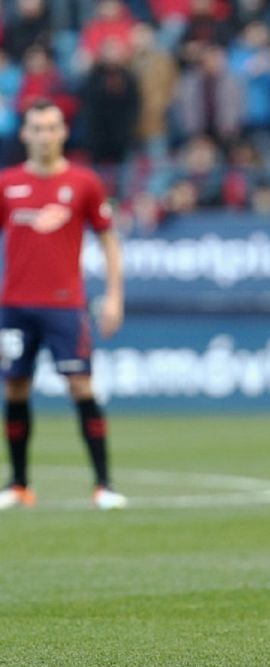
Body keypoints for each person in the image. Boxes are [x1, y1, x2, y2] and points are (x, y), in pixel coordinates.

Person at [0, 99, 127, 511]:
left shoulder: (84, 182)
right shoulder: (7, 183)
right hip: (14, 306)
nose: (44, 135)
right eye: (37, 128)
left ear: (63, 132)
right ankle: (18, 485)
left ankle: (104, 485)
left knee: (80, 386)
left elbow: (109, 239)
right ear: (25, 134)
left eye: (52, 127)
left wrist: (113, 296)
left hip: (64, 306)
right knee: (15, 387)